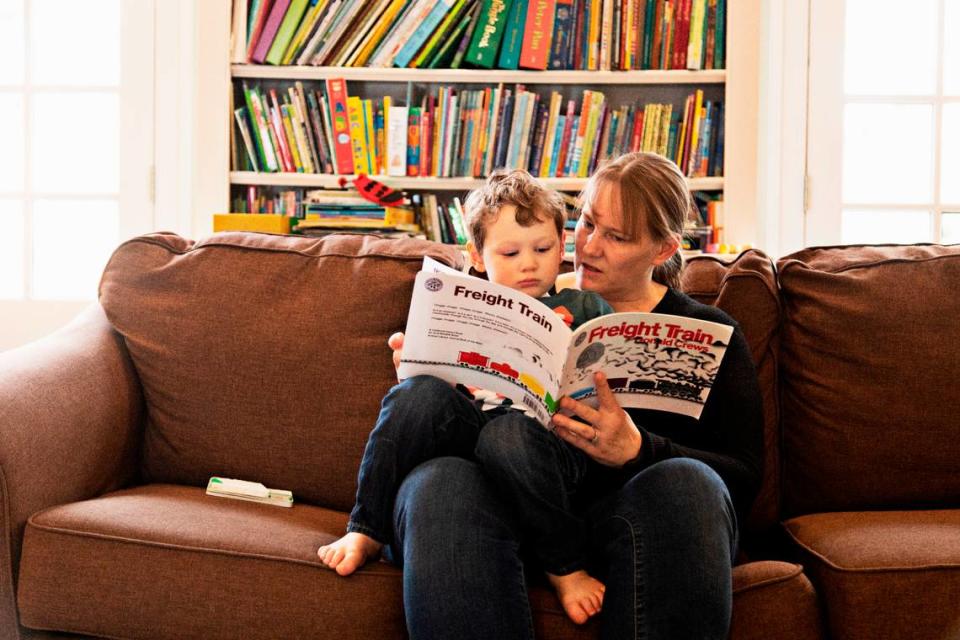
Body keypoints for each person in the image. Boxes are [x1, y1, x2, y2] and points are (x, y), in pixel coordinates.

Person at [374, 152, 763, 640]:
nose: (590, 247)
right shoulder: (503, 298)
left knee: (689, 482)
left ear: (662, 250)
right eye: (586, 224)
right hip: (497, 506)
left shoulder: (708, 331)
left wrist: (640, 450)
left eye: (616, 237)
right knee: (439, 480)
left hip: (625, 520)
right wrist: (428, 377)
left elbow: (744, 479)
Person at [319, 169, 616, 624]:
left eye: (543, 249)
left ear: (562, 244)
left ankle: (565, 564)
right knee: (415, 396)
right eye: (510, 252)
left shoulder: (587, 308)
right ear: (477, 255)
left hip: (544, 445)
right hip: (468, 432)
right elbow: (432, 391)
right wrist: (415, 365)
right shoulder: (460, 303)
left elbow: (602, 390)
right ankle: (366, 528)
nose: (529, 264)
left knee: (509, 436)